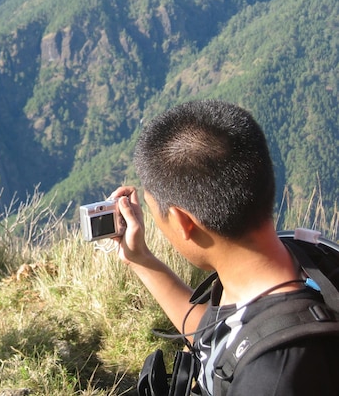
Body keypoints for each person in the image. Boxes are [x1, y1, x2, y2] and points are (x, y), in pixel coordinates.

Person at [109, 100, 338, 395]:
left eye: (157, 216)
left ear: (182, 222)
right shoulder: (304, 257)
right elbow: (219, 330)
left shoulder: (272, 378)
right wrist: (140, 259)